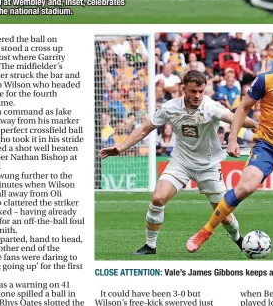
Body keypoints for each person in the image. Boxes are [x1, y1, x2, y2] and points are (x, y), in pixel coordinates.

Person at [185, 35, 273, 259]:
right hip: (266, 144)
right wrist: (232, 138)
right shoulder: (265, 80)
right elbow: (242, 109)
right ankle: (205, 231)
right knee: (245, 188)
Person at [99, 70, 257, 255]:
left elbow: (234, 117)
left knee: (225, 217)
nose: (197, 95)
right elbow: (144, 129)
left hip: (208, 165)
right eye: (192, 91)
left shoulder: (211, 107)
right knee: (158, 198)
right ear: (183, 89)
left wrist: (257, 125)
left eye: (200, 91)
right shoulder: (170, 108)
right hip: (180, 162)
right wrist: (121, 147)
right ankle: (150, 245)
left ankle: (239, 240)